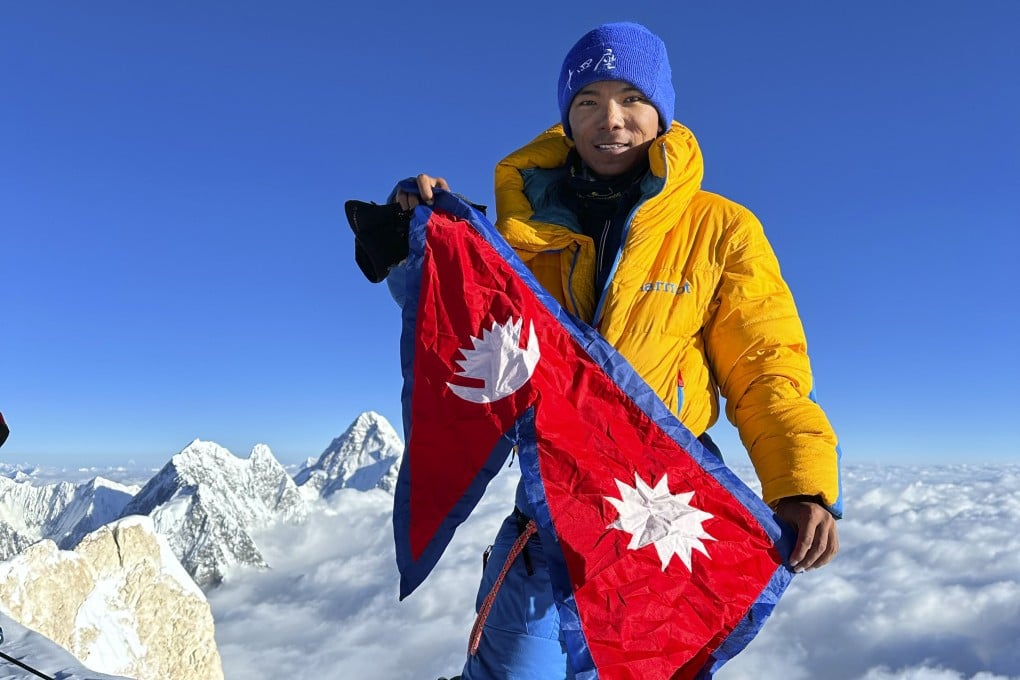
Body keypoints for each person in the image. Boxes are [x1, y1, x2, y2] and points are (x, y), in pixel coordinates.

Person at [386, 21, 841, 680]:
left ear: (662, 112)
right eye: (588, 102)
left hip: (657, 516)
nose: (612, 120)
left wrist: (803, 482)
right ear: (566, 119)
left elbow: (764, 366)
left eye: (632, 98)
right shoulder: (519, 235)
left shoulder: (721, 230)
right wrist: (415, 228)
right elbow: (458, 322)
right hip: (549, 514)